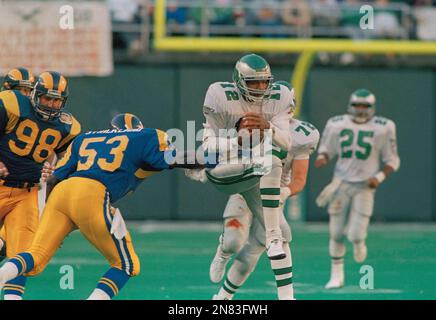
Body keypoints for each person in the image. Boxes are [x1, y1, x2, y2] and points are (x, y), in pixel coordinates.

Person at [0, 114, 201, 300]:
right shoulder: (144, 137)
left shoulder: (85, 138)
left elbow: (53, 179)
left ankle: (2, 274)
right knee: (127, 264)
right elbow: (172, 158)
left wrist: (48, 217)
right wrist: (208, 161)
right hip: (92, 194)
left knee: (34, 257)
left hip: (62, 193)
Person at [210, 81, 319, 300]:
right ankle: (223, 250)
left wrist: (285, 193)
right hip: (244, 188)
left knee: (263, 245)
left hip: (271, 196)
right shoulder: (248, 119)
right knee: (233, 242)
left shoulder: (302, 134)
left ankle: (223, 297)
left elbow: (299, 178)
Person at [0, 70, 81, 300]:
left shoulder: (68, 126)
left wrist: (56, 170)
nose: (51, 104)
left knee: (21, 254)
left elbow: (68, 162)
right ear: (36, 94)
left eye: (57, 100)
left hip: (27, 193)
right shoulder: (12, 103)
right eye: (47, 98)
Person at [315, 88, 400, 289]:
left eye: (365, 106)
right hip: (341, 183)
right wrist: (323, 157)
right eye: (357, 106)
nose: (361, 110)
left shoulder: (384, 127)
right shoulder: (336, 123)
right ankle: (337, 275)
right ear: (350, 106)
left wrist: (378, 177)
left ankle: (360, 242)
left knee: (355, 234)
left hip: (365, 186)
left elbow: (393, 159)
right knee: (335, 233)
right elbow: (327, 149)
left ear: (372, 107)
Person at [0, 67, 37, 265]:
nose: (25, 95)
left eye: (29, 90)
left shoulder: (35, 114)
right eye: (21, 90)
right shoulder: (6, 106)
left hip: (21, 188)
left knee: (16, 247)